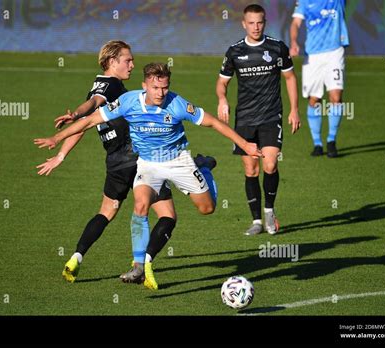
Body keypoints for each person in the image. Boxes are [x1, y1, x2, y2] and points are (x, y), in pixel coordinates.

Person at [34, 62, 262, 290]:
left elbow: (212, 122)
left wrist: (245, 145)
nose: (161, 93)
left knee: (207, 208)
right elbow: (91, 120)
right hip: (148, 164)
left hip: (177, 161)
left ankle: (202, 167)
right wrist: (57, 138)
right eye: (155, 88)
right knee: (140, 206)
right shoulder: (129, 101)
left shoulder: (177, 104)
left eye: (164, 87)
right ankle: (140, 266)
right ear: (145, 86)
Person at [35, 40, 177, 284]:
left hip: (115, 163)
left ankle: (77, 256)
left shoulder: (99, 84)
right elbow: (92, 105)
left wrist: (61, 155)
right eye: (127, 60)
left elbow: (85, 124)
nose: (132, 65)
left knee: (106, 212)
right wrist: (77, 113)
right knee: (167, 216)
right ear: (112, 62)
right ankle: (142, 265)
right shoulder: (110, 85)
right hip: (138, 158)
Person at [216, 4, 301, 236]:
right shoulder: (234, 52)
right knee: (251, 169)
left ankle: (269, 212)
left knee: (270, 164)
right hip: (244, 118)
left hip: (271, 115)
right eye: (251, 23)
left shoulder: (277, 48)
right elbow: (222, 82)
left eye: (260, 22)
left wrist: (294, 109)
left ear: (265, 23)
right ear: (244, 24)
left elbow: (290, 78)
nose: (256, 27)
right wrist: (222, 100)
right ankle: (255, 221)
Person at [290, 0, 349, 157]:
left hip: (335, 52)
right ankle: (317, 143)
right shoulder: (304, 2)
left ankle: (331, 141)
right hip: (313, 55)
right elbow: (295, 23)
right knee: (314, 99)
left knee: (336, 97)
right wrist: (294, 41)